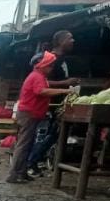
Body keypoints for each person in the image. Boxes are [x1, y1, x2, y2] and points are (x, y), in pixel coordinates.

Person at [8, 52, 71, 184]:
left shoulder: (39, 76)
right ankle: (14, 175)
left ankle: (22, 172)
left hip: (31, 114)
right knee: (24, 144)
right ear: (42, 65)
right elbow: (41, 91)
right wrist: (65, 91)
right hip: (28, 114)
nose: (51, 67)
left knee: (28, 144)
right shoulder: (37, 76)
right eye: (49, 65)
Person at [25, 30, 81, 177]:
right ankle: (31, 163)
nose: (73, 41)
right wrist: (66, 83)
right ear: (61, 42)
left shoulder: (62, 59)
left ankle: (34, 162)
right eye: (70, 38)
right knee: (45, 135)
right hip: (48, 105)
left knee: (52, 135)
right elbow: (42, 84)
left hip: (57, 103)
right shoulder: (50, 60)